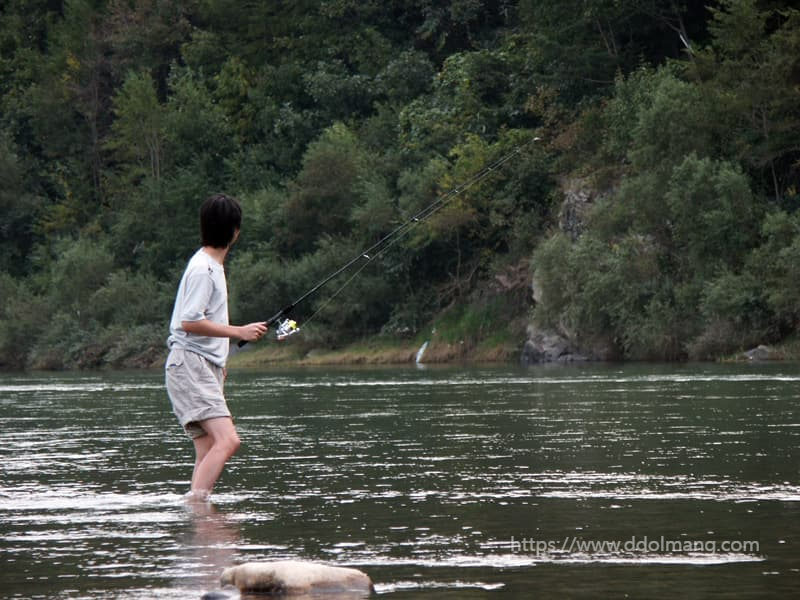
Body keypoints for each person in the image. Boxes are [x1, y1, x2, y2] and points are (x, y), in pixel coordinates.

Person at [165, 193, 267, 502]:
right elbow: (189, 321)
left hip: (199, 366)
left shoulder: (208, 265)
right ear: (235, 231)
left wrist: (218, 367)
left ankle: (200, 524)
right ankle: (196, 506)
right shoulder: (204, 270)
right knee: (228, 440)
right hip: (189, 364)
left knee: (208, 448)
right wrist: (239, 331)